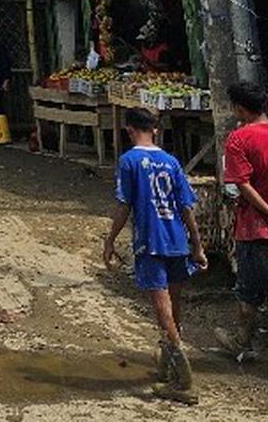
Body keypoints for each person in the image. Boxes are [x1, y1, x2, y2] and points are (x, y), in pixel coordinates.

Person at [102, 108, 206, 405]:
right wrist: (197, 246)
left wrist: (109, 240)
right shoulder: (171, 161)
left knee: (162, 308)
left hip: (150, 242)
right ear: (155, 130)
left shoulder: (129, 161)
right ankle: (168, 364)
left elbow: (124, 205)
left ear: (129, 130)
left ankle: (183, 380)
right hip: (177, 240)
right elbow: (187, 207)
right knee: (174, 305)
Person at [214, 81, 268, 360]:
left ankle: (243, 342)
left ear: (240, 108)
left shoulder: (238, 139)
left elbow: (242, 185)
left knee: (249, 293)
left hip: (257, 229)